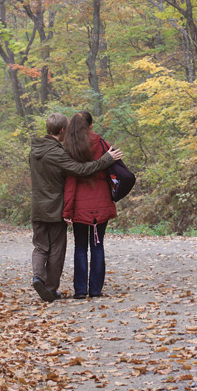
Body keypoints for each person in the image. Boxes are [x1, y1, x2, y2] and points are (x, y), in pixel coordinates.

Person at [29, 112, 122, 302]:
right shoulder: (64, 152)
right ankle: (62, 288)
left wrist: (69, 208)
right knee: (65, 248)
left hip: (48, 206)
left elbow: (65, 181)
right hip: (72, 206)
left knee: (45, 247)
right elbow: (79, 171)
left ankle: (46, 279)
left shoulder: (39, 151)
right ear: (63, 130)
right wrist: (106, 159)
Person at [62, 111, 117, 299]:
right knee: (97, 244)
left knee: (80, 246)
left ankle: (80, 290)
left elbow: (70, 183)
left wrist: (67, 209)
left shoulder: (70, 149)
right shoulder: (104, 146)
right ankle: (95, 290)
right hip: (102, 201)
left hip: (79, 204)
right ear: (91, 126)